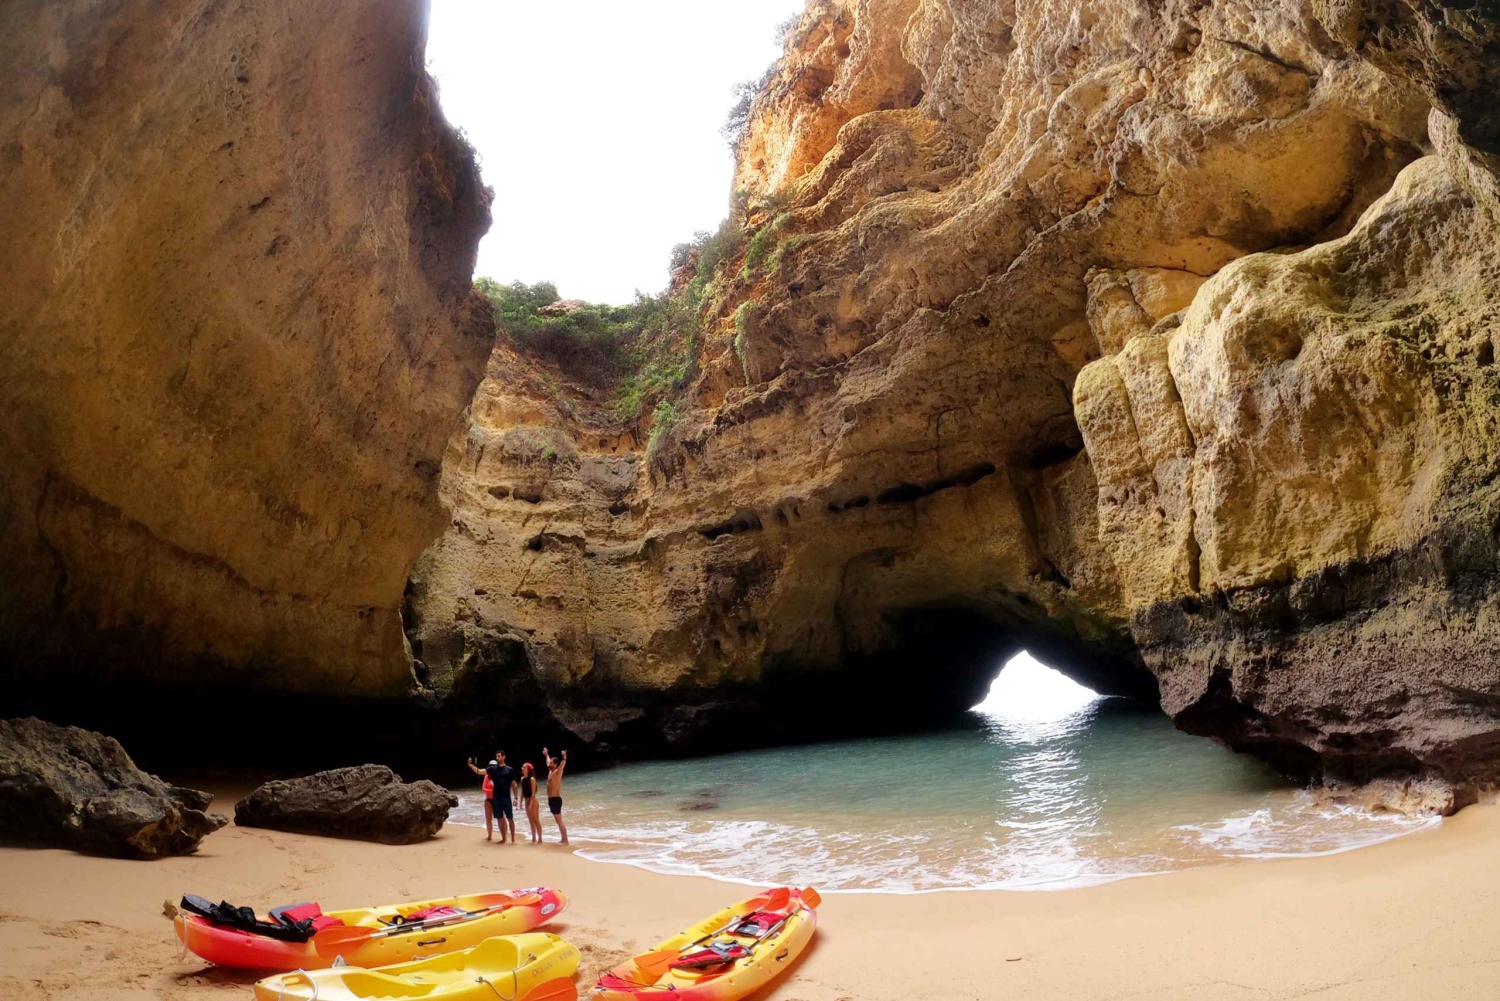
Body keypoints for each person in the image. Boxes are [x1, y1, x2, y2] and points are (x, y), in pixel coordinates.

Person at [468, 750, 518, 844]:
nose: (497, 758)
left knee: (510, 818)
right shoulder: (493, 769)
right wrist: (471, 766)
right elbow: (480, 771)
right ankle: (503, 839)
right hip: (497, 799)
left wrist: (516, 798)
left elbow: (514, 784)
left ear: (504, 757)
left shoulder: (510, 769)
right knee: (499, 819)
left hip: (507, 798)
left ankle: (513, 839)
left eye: (499, 756)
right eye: (496, 756)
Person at [465, 757, 497, 841]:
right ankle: (489, 836)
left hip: (498, 799)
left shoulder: (500, 774)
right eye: (491, 767)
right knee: (488, 819)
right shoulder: (487, 774)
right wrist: (471, 765)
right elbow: (478, 771)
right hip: (488, 799)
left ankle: (504, 837)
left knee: (501, 818)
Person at [542, 747, 569, 845]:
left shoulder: (557, 772)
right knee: (558, 821)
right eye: (550, 763)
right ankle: (563, 839)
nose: (549, 764)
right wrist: (546, 754)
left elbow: (562, 766)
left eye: (551, 763)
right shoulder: (550, 771)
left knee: (559, 820)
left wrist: (564, 758)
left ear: (555, 765)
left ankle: (565, 840)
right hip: (552, 800)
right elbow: (547, 762)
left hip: (555, 800)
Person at [519, 762, 543, 844]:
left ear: (528, 770)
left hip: (533, 801)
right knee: (531, 821)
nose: (522, 768)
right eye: (522, 767)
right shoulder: (522, 779)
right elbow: (522, 791)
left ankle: (540, 839)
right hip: (526, 801)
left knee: (536, 821)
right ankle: (533, 839)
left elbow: (534, 792)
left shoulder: (532, 779)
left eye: (524, 767)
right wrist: (520, 802)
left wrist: (531, 803)